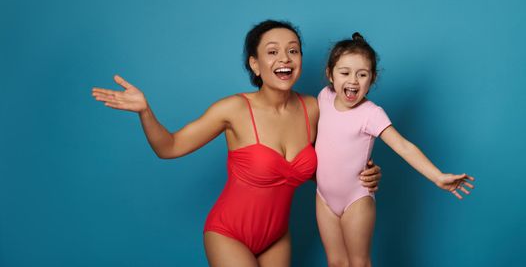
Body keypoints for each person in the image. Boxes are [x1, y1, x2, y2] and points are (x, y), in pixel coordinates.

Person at [91, 20, 382, 267]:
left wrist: (365, 172)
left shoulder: (315, 107)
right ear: (255, 65)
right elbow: (169, 147)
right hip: (228, 234)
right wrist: (145, 111)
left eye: (293, 50)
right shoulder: (233, 109)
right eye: (273, 52)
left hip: (277, 237)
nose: (285, 59)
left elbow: (335, 158)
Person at [315, 33, 476, 267]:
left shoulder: (371, 113)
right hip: (323, 198)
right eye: (345, 72)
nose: (353, 80)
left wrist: (438, 177)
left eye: (362, 74)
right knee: (336, 262)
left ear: (373, 79)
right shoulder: (324, 97)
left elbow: (403, 146)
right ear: (330, 74)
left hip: (355, 200)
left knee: (359, 262)